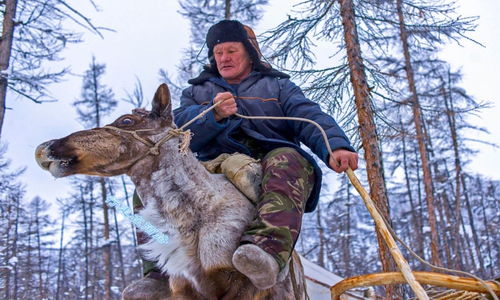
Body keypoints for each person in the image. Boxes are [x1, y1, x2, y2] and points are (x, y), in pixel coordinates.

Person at [123, 20, 358, 298]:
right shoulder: (196, 92)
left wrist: (335, 145)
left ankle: (265, 251)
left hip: (266, 155)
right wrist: (213, 114)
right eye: (218, 52)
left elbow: (308, 117)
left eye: (231, 51)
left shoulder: (278, 86)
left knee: (288, 159)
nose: (223, 58)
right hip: (210, 163)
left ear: (249, 53)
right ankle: (158, 274)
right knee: (147, 187)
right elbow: (179, 131)